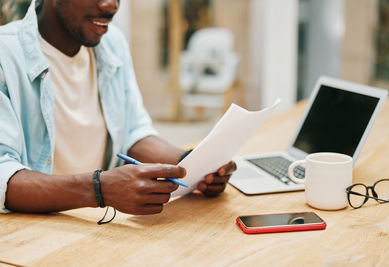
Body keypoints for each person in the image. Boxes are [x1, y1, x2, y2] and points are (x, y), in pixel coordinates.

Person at [0, 0, 236, 220]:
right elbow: (3, 174)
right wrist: (99, 189)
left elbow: (133, 132)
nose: (111, 5)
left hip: (100, 223)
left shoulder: (112, 43)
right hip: (35, 233)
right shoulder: (5, 55)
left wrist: (192, 165)